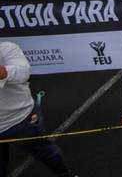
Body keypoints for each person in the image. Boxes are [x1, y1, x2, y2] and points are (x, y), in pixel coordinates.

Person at [0, 41, 78, 177]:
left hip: (21, 120)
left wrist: (4, 72)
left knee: (47, 153)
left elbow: (23, 73)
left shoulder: (7, 48)